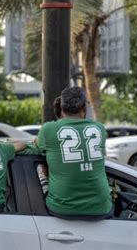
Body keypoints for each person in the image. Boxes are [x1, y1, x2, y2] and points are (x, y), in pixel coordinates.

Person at [36, 86, 112, 220]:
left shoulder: (48, 129)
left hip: (61, 208)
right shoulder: (99, 128)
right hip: (100, 208)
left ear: (62, 108)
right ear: (84, 108)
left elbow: (37, 147)